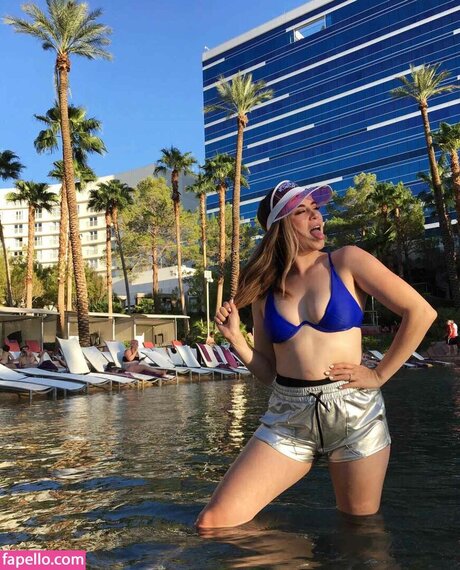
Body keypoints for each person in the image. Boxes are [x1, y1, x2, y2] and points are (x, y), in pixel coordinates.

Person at [196, 179, 437, 531]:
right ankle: (299, 555)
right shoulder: (265, 292)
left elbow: (421, 312)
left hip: (354, 412)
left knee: (359, 532)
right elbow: (268, 373)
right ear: (279, 226)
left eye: (316, 209)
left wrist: (378, 374)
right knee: (214, 522)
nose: (317, 217)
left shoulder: (347, 261)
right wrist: (237, 340)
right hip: (288, 416)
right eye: (302, 211)